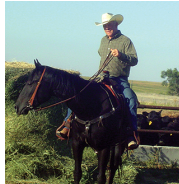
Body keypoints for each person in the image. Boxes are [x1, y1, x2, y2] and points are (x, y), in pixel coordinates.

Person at [57, 12, 139, 149]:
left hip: (119, 79)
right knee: (79, 92)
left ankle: (131, 134)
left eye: (109, 25)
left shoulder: (126, 41)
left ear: (116, 24)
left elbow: (135, 60)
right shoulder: (103, 40)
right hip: (101, 77)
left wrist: (121, 55)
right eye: (104, 26)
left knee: (130, 100)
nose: (107, 28)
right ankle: (67, 124)